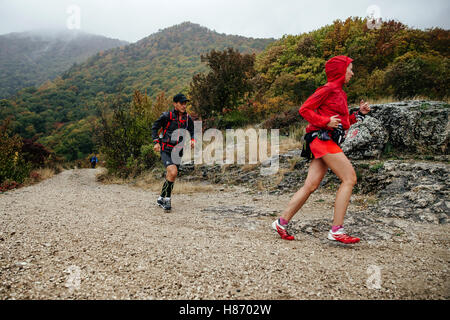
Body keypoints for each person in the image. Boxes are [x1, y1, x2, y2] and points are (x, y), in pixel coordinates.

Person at [272, 55, 371, 244]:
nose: (352, 72)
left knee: (311, 185)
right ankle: (337, 230)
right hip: (321, 139)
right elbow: (304, 109)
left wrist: (359, 114)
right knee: (349, 178)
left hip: (326, 140)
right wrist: (325, 121)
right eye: (350, 68)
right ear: (340, 70)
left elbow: (342, 123)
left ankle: (281, 222)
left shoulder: (340, 93)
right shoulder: (328, 89)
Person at [151, 93, 195, 211]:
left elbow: (192, 129)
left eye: (185, 103)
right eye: (181, 103)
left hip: (178, 150)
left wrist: (192, 139)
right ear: (175, 104)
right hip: (166, 148)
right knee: (173, 172)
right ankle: (167, 200)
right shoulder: (167, 116)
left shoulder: (187, 118)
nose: (184, 105)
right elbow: (154, 127)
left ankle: (161, 197)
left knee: (171, 175)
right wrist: (156, 142)